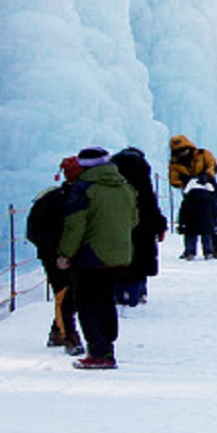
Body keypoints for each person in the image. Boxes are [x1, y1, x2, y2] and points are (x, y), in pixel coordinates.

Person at [54, 147, 138, 370]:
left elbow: (75, 225)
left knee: (87, 303)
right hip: (120, 254)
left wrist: (65, 254)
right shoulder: (125, 187)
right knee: (106, 300)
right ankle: (108, 348)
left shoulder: (84, 189)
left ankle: (98, 353)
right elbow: (133, 220)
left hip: (91, 256)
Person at [26, 158, 85, 356]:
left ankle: (58, 332)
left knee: (67, 294)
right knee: (67, 294)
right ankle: (67, 334)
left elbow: (34, 231)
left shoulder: (50, 198)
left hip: (58, 254)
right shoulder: (74, 197)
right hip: (64, 254)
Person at [110, 146, 165, 308]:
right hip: (143, 226)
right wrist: (159, 224)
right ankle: (136, 294)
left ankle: (118, 293)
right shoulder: (141, 172)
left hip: (116, 224)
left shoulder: (113, 172)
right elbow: (149, 202)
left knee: (119, 261)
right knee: (140, 260)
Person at [176, 172, 217, 260]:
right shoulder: (209, 198)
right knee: (206, 236)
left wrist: (181, 223)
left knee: (190, 236)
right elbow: (214, 212)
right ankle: (208, 252)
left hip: (191, 221)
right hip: (207, 221)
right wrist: (214, 223)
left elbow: (183, 212)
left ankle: (190, 252)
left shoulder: (188, 198)